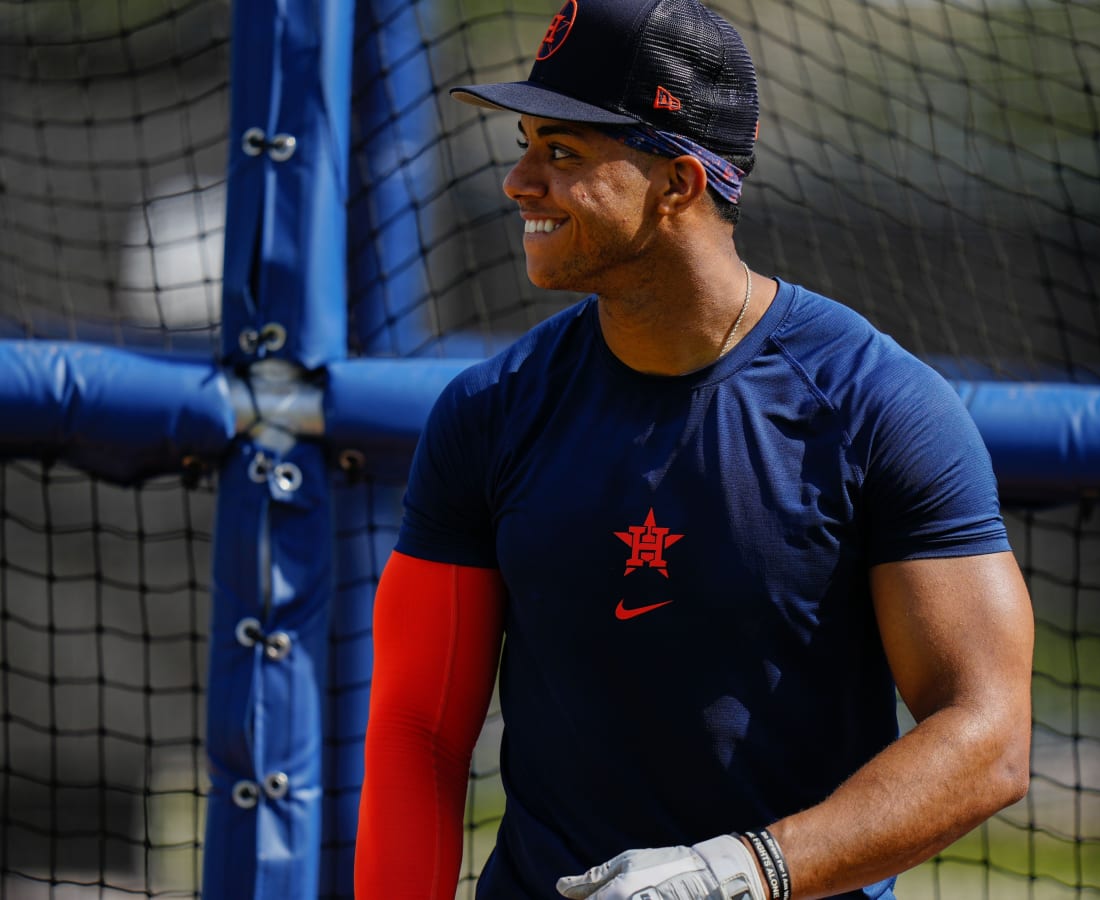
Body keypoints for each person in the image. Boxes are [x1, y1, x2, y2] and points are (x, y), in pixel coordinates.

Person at [355, 0, 1034, 897]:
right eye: (523, 143)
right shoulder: (489, 412)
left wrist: (747, 872)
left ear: (678, 184)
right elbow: (418, 732)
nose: (520, 181)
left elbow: (987, 734)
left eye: (562, 153)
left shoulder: (879, 405)